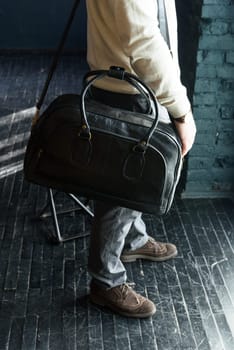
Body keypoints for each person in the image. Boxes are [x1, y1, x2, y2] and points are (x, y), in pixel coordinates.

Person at [85, 0, 196, 318]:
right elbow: (142, 37)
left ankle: (133, 240)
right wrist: (181, 111)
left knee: (130, 181)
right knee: (122, 187)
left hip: (129, 82)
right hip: (129, 88)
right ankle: (105, 281)